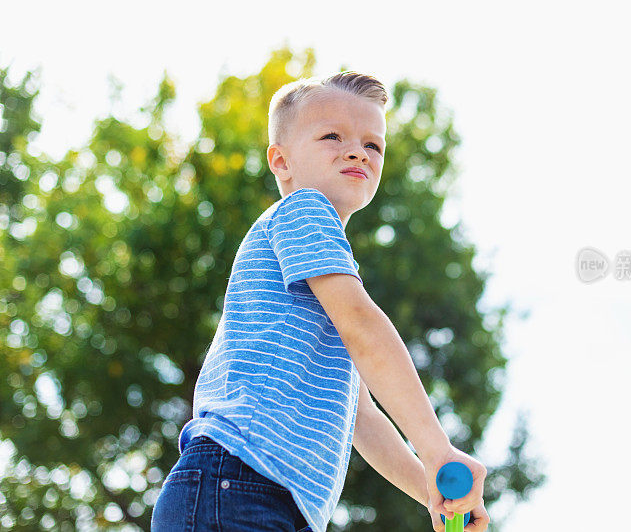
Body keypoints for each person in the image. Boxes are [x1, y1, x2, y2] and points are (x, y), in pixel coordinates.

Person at [151, 71, 490, 532]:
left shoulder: (323, 265)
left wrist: (432, 490)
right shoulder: (303, 211)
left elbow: (362, 418)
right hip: (238, 483)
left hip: (260, 495)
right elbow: (362, 327)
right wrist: (437, 449)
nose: (356, 151)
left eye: (373, 145)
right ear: (281, 161)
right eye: (333, 136)